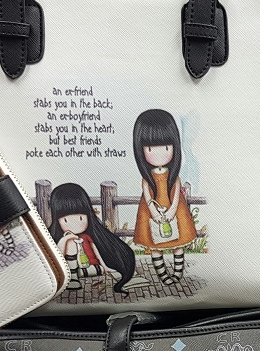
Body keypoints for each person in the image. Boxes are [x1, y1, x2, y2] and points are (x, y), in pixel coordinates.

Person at [132, 109, 197, 286]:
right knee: (154, 243)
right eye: (150, 148)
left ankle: (177, 272)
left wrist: (173, 210)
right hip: (152, 210)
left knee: (179, 242)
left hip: (173, 208)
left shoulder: (174, 177)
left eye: (167, 147)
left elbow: (176, 194)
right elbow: (147, 196)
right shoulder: (147, 179)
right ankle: (163, 275)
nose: (159, 153)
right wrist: (153, 211)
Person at [48, 183, 135, 293]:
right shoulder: (66, 240)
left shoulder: (87, 237)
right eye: (66, 220)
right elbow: (58, 254)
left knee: (97, 269)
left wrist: (105, 266)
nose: (75, 224)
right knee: (71, 244)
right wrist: (65, 240)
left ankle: (75, 274)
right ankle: (73, 277)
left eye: (81, 218)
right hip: (71, 268)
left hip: (90, 267)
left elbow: (96, 251)